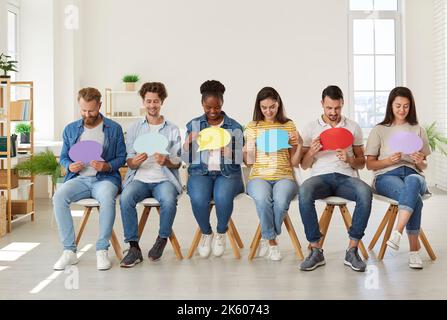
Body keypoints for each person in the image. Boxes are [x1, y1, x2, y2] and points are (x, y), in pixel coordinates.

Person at [298, 85, 372, 272]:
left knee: (365, 191)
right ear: (322, 104)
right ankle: (315, 250)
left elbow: (361, 162)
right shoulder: (310, 128)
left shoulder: (353, 127)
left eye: (337, 108)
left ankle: (352, 250)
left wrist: (349, 159)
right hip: (320, 178)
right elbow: (304, 165)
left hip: (346, 178)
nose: (333, 112)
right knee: (304, 191)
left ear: (343, 104)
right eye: (329, 108)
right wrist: (312, 153)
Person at [53, 87, 126, 271]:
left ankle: (102, 250)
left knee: (107, 199)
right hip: (79, 179)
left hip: (105, 179)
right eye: (83, 110)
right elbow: (63, 157)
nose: (87, 114)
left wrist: (107, 166)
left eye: (91, 110)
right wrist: (69, 165)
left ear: (99, 105)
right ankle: (69, 251)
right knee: (59, 197)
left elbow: (121, 157)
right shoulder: (71, 129)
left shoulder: (114, 128)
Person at [365, 87, 431, 269]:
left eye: (406, 106)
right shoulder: (379, 130)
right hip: (387, 175)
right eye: (398, 106)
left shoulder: (418, 129)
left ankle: (397, 232)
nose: (402, 110)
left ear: (411, 107)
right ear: (391, 106)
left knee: (414, 181)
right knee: (414, 198)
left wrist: (420, 161)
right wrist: (387, 160)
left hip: (413, 174)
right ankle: (414, 252)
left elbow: (424, 166)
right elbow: (369, 164)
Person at [119, 82, 182, 267]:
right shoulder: (133, 128)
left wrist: (167, 161)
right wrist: (133, 163)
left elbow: (178, 163)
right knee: (126, 198)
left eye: (156, 101)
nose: (152, 105)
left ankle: (161, 240)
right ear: (143, 101)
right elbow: (128, 160)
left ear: (162, 101)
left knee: (169, 200)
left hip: (164, 179)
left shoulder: (172, 129)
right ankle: (133, 247)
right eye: (148, 101)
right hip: (139, 179)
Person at [183, 80, 244, 258]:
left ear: (222, 103)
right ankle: (206, 233)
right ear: (202, 104)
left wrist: (230, 152)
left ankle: (221, 232)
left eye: (216, 107)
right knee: (198, 198)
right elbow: (185, 158)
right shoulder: (194, 125)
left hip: (227, 173)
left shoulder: (234, 126)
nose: (212, 111)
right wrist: (188, 144)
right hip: (200, 172)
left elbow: (242, 159)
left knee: (222, 197)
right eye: (208, 107)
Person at [243, 87, 302, 261]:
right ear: (258, 107)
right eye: (264, 108)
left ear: (279, 105)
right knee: (262, 200)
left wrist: (299, 145)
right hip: (259, 177)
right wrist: (246, 151)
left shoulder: (288, 125)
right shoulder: (252, 127)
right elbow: (250, 163)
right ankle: (272, 242)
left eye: (272, 107)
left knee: (281, 201)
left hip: (284, 176)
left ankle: (266, 235)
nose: (268, 111)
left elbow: (294, 162)